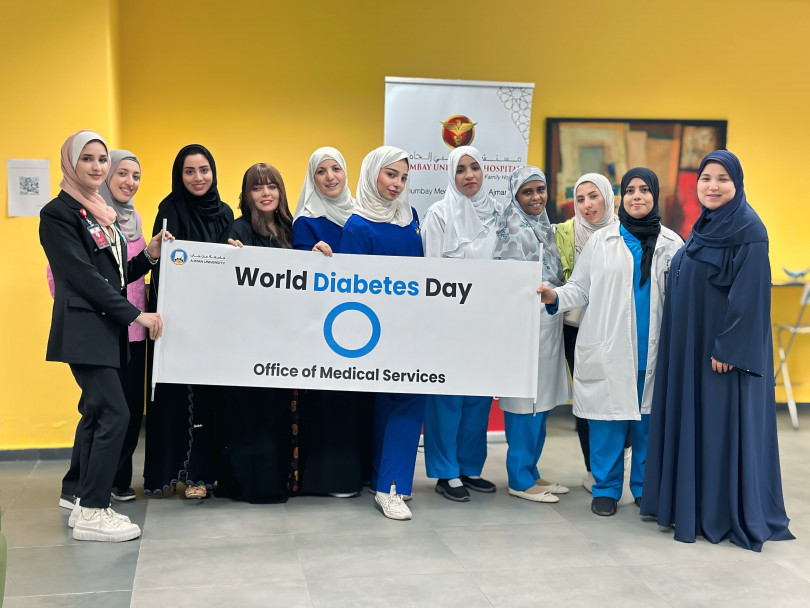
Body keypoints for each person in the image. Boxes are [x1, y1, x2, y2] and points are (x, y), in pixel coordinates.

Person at [641, 150, 794, 551]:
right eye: (706, 178)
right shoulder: (706, 226)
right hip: (691, 349)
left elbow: (751, 297)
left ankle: (717, 513)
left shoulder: (749, 229)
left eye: (723, 179)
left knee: (717, 430)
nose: (712, 186)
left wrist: (728, 348)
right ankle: (690, 505)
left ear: (737, 184)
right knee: (698, 425)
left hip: (721, 356)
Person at [40, 130, 170, 541]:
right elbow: (83, 277)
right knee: (115, 414)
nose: (97, 167)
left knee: (102, 414)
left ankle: (84, 504)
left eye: (101, 160)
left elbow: (116, 275)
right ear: (70, 163)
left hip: (105, 330)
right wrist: (136, 314)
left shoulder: (100, 214)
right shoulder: (58, 213)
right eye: (88, 159)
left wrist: (148, 255)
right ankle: (95, 510)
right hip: (84, 330)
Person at [538, 168, 683, 516]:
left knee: (649, 425)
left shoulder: (673, 244)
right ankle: (605, 488)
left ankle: (647, 489)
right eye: (630, 190)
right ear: (621, 197)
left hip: (653, 351)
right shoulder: (601, 242)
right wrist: (554, 296)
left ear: (654, 196)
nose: (637, 196)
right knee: (606, 424)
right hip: (609, 348)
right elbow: (580, 288)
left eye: (644, 190)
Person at [54, 150, 151, 508]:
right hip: (100, 327)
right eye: (122, 173)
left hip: (130, 329)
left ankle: (109, 483)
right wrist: (86, 314)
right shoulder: (79, 214)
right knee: (102, 411)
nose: (129, 182)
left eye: (136, 176)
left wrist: (151, 255)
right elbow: (74, 276)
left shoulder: (122, 218)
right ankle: (81, 490)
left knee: (122, 411)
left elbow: (121, 274)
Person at [337, 145, 425, 520]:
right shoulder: (357, 225)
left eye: (403, 177)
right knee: (399, 401)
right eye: (391, 174)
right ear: (373, 173)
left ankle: (385, 480)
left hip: (413, 327)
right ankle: (390, 488)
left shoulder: (410, 216)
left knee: (402, 401)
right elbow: (349, 285)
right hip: (377, 330)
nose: (397, 184)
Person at [144, 144, 233, 499]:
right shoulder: (169, 210)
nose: (198, 178)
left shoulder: (225, 212)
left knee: (211, 398)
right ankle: (177, 473)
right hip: (178, 322)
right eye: (189, 171)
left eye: (204, 170)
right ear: (179, 175)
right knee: (179, 398)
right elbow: (158, 264)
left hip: (215, 322)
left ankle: (205, 475)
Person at [420, 146, 502, 501]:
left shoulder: (498, 213)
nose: (469, 175)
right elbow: (432, 270)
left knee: (478, 399)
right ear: (451, 175)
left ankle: (470, 467)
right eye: (460, 170)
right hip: (449, 321)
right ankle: (446, 471)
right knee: (447, 399)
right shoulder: (439, 214)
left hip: (487, 322)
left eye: (475, 168)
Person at [292, 147, 374, 498]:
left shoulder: (361, 214)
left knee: (362, 400)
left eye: (336, 169)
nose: (330, 177)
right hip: (325, 326)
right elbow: (298, 273)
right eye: (321, 171)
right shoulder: (306, 220)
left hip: (363, 322)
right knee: (332, 401)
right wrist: (310, 258)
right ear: (312, 178)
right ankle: (333, 479)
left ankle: (365, 474)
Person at [217, 163, 296, 503]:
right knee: (252, 415)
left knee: (277, 414)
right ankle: (250, 486)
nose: (266, 193)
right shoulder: (239, 229)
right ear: (247, 194)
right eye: (257, 187)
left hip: (285, 339)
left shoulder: (290, 229)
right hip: (250, 342)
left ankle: (277, 482)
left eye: (272, 186)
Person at [494, 167, 572, 502]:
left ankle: (531, 472)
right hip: (524, 329)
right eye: (527, 192)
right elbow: (511, 286)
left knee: (541, 403)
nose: (536, 197)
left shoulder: (541, 226)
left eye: (540, 189)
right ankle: (519, 478)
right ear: (515, 196)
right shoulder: (514, 228)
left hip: (546, 324)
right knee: (525, 404)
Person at [554, 173, 618, 492]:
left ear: (608, 196)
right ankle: (594, 469)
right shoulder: (565, 233)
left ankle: (615, 463)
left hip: (614, 327)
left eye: (594, 196)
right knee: (587, 397)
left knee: (617, 393)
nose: (587, 205)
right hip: (576, 329)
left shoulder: (624, 233)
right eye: (580, 199)